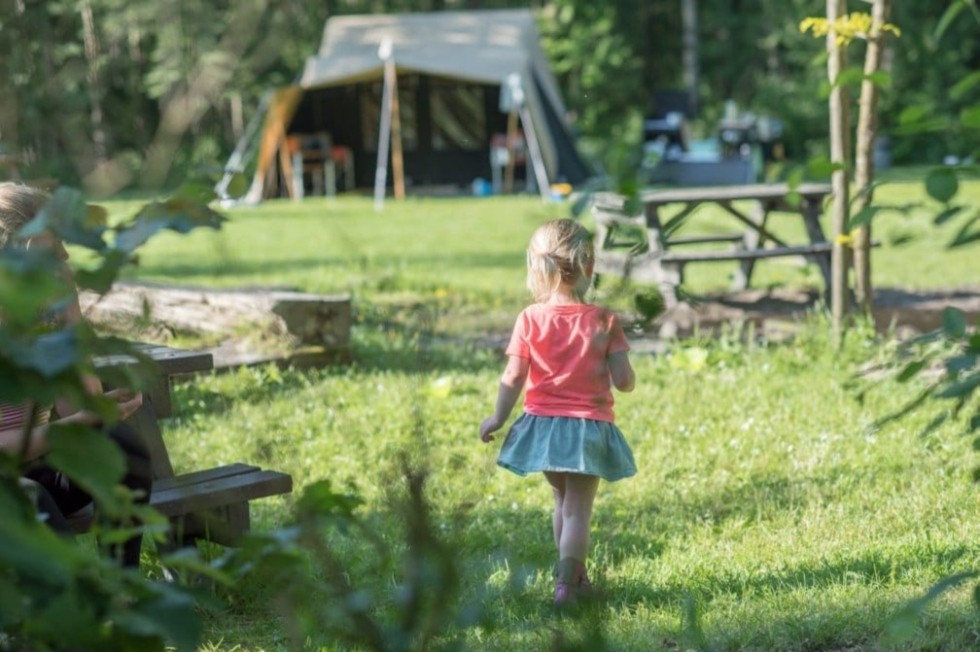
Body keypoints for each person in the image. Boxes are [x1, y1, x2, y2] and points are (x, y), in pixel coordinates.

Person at [479, 218, 636, 606]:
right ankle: (568, 586)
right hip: (587, 430)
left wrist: (497, 418)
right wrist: (624, 371)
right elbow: (624, 381)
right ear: (589, 266)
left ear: (537, 267)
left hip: (545, 429)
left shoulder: (529, 319)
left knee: (561, 504)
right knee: (579, 510)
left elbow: (513, 375)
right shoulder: (604, 320)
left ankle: (573, 580)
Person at [0, 181, 151, 568]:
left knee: (122, 446)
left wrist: (68, 320)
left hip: (32, 467)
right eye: (57, 243)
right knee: (31, 500)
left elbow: (79, 405)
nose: (66, 254)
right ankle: (79, 615)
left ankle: (124, 588)